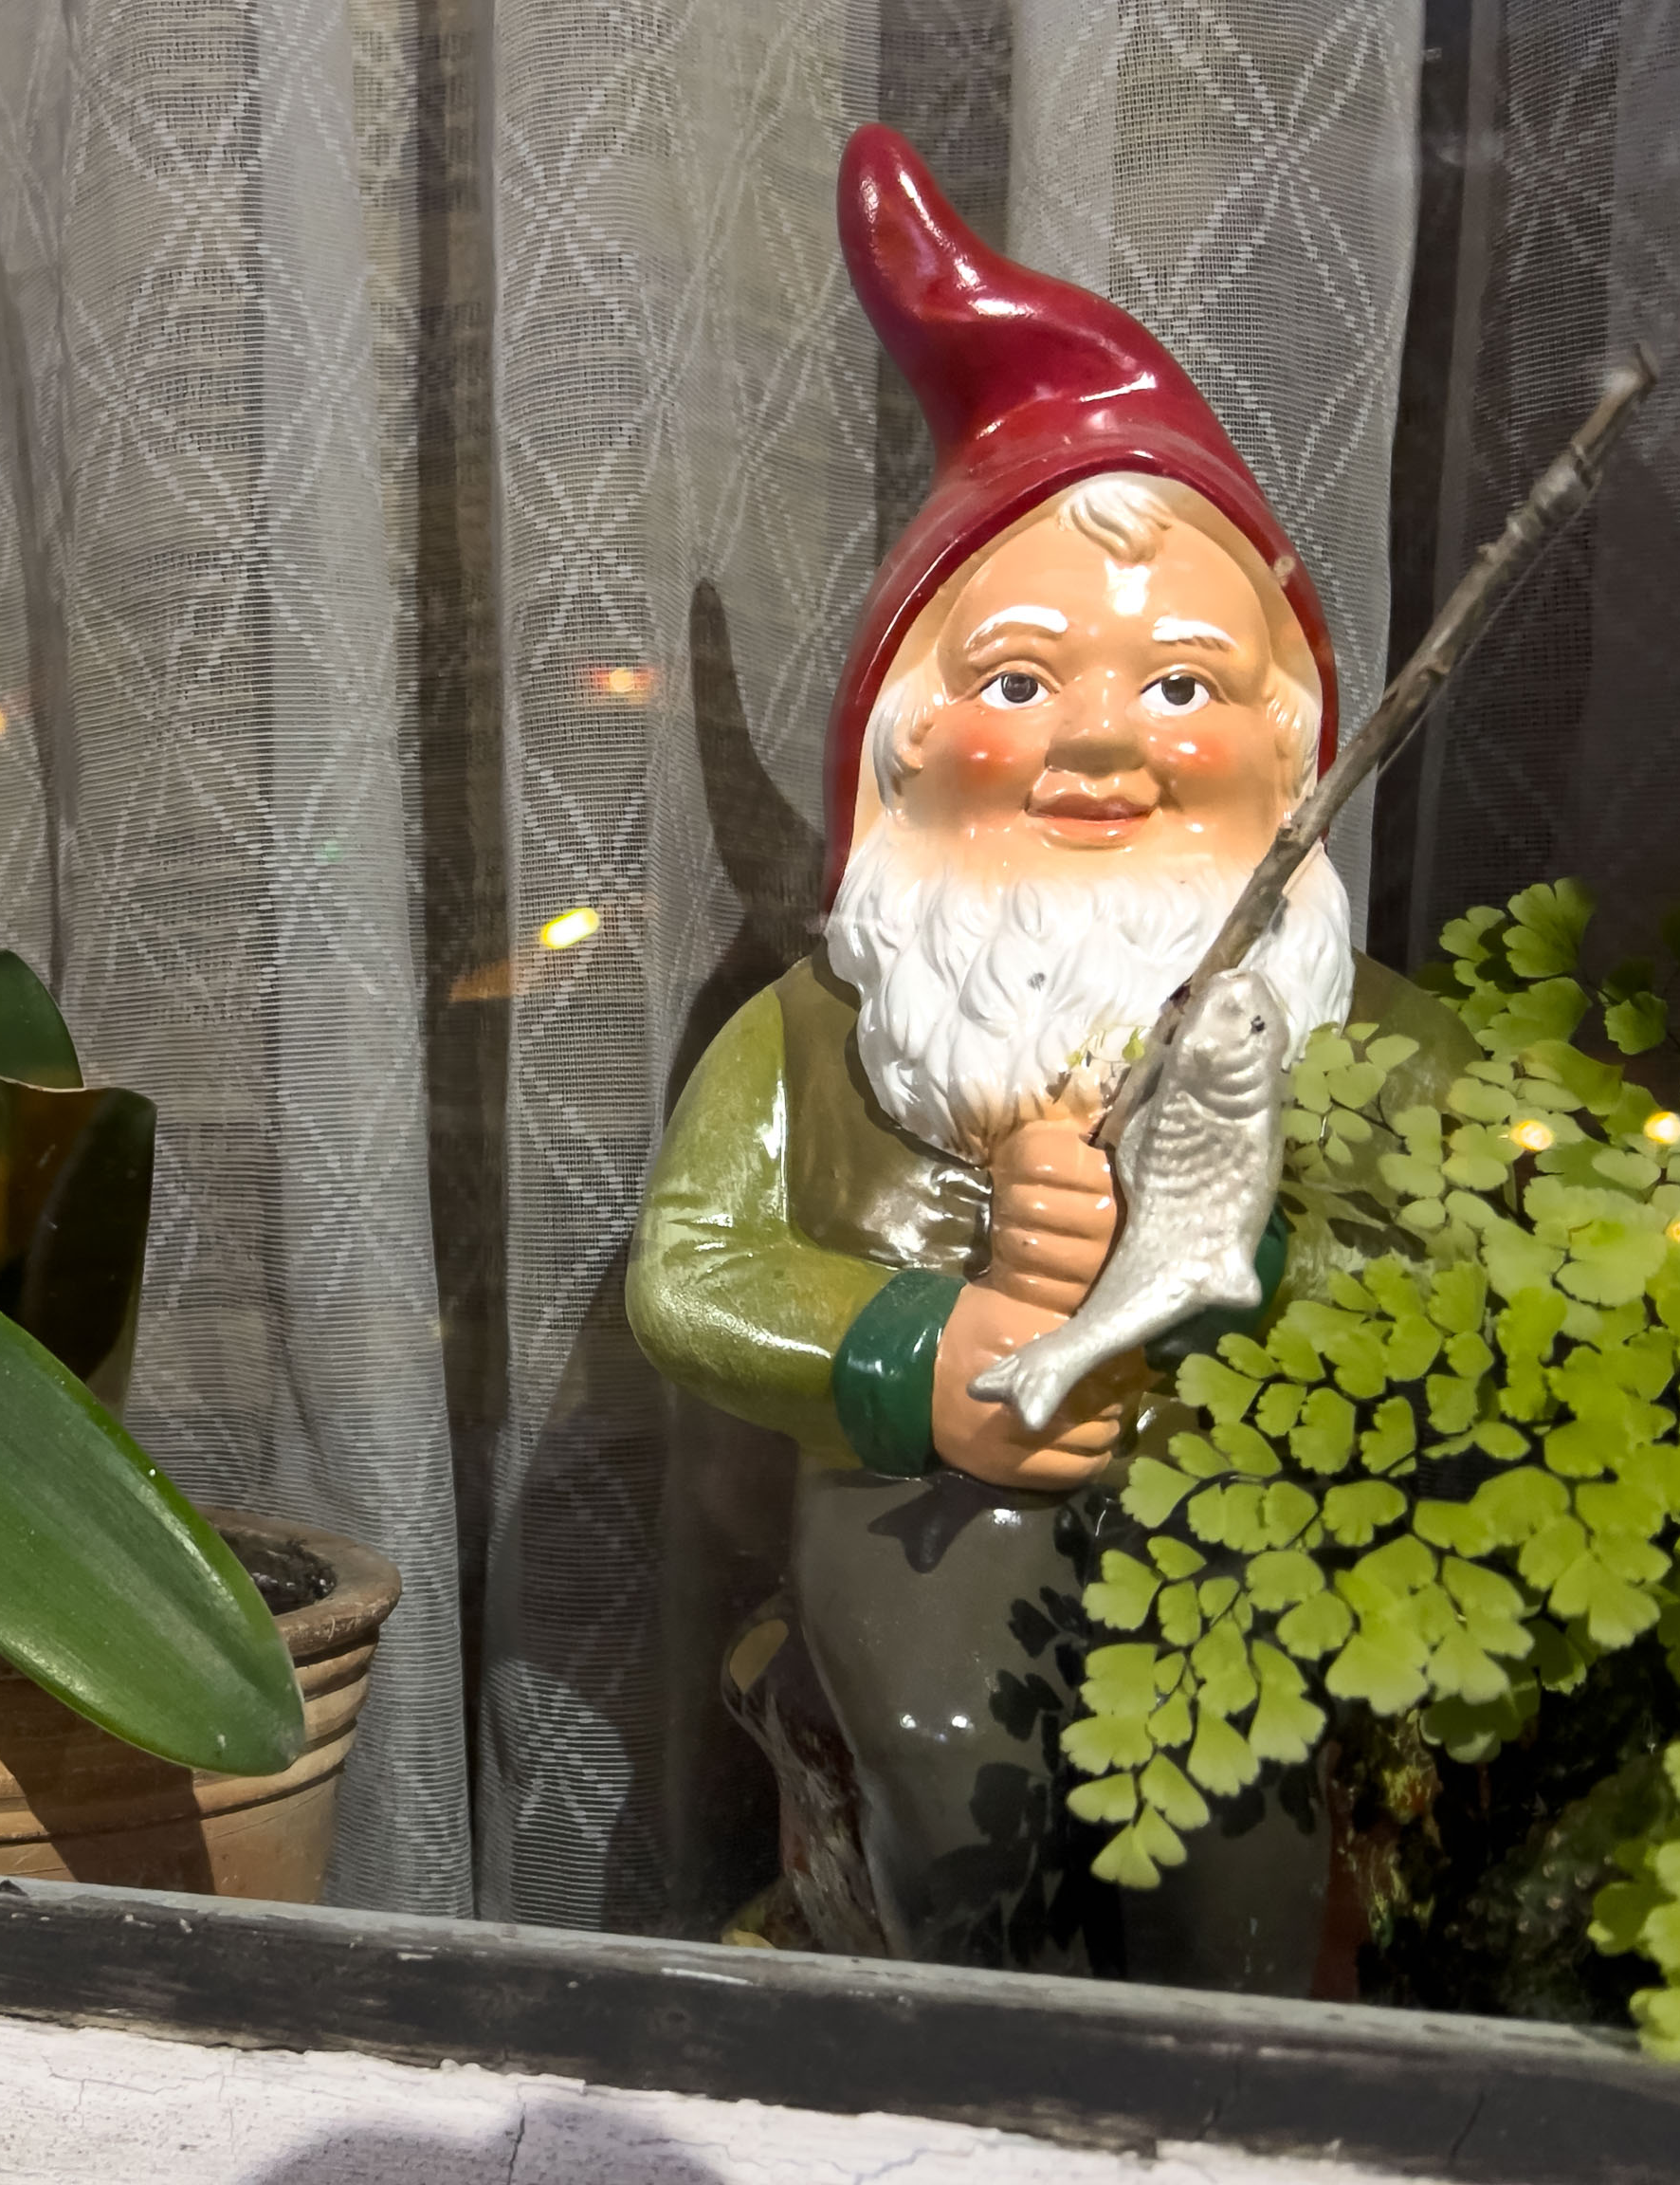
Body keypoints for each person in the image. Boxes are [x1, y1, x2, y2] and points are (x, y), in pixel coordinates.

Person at [627, 127, 1468, 1986]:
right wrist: (916, 1352)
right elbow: (687, 1273)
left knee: (1244, 1863)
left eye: (1181, 685)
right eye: (1018, 682)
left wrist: (1232, 1266)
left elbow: (1486, 1270)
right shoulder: (816, 1042)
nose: (1103, 744)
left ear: (1292, 740)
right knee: (954, 1805)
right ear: (904, 740)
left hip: (1259, 1533)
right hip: (928, 1520)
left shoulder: (1372, 1045)